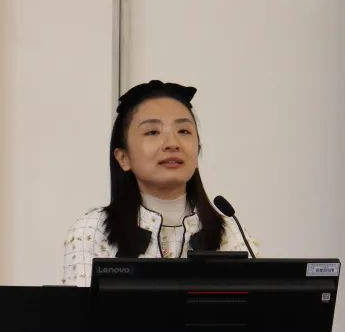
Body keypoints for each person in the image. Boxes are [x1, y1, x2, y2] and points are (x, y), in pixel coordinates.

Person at [63, 80, 256, 286]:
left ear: (197, 150)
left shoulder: (232, 234)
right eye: (153, 132)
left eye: (183, 131)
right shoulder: (93, 231)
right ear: (123, 158)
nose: (172, 144)